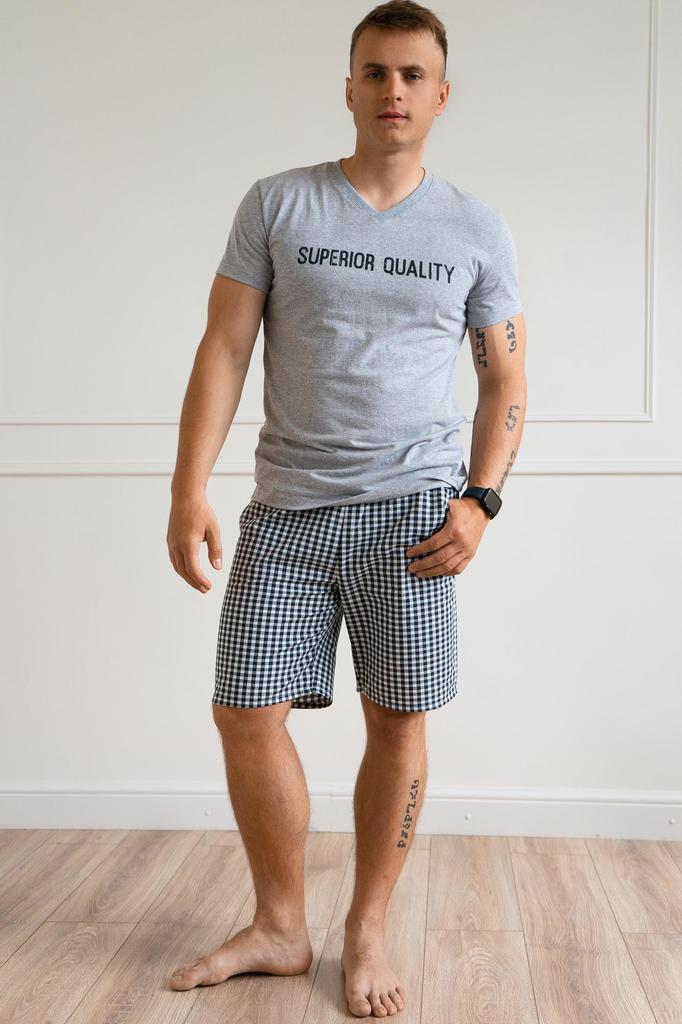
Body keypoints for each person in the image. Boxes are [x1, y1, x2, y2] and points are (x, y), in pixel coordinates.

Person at [166, 0, 527, 1016]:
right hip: (287, 507)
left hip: (411, 514)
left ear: (441, 95)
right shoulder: (280, 203)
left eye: (412, 75)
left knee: (397, 720)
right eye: (374, 72)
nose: (392, 91)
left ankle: (366, 925)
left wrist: (481, 500)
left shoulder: (475, 228)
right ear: (349, 88)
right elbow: (225, 347)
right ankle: (281, 925)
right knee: (244, 710)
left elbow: (505, 378)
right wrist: (189, 486)